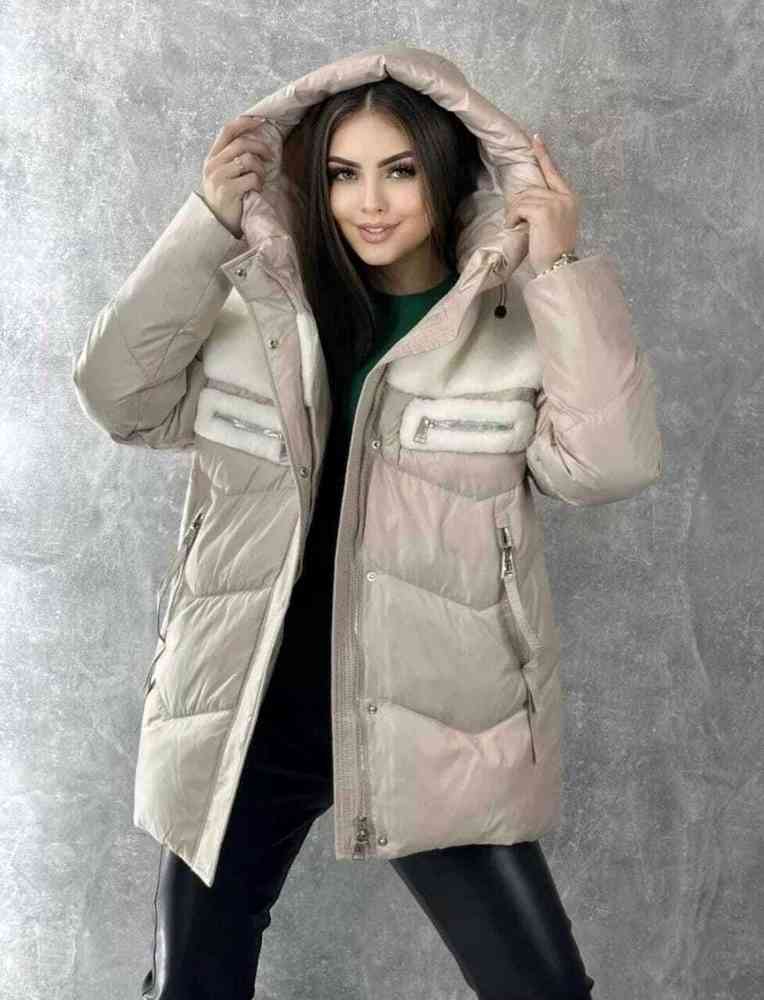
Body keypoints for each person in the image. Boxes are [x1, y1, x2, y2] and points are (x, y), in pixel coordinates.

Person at [73, 44, 662, 1000]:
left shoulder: (508, 327)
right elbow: (117, 397)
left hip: (433, 719)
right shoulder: (261, 313)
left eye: (400, 171)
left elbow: (608, 465)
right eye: (344, 174)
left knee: (541, 989)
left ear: (446, 176)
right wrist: (206, 222)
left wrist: (559, 263)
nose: (371, 203)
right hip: (249, 710)